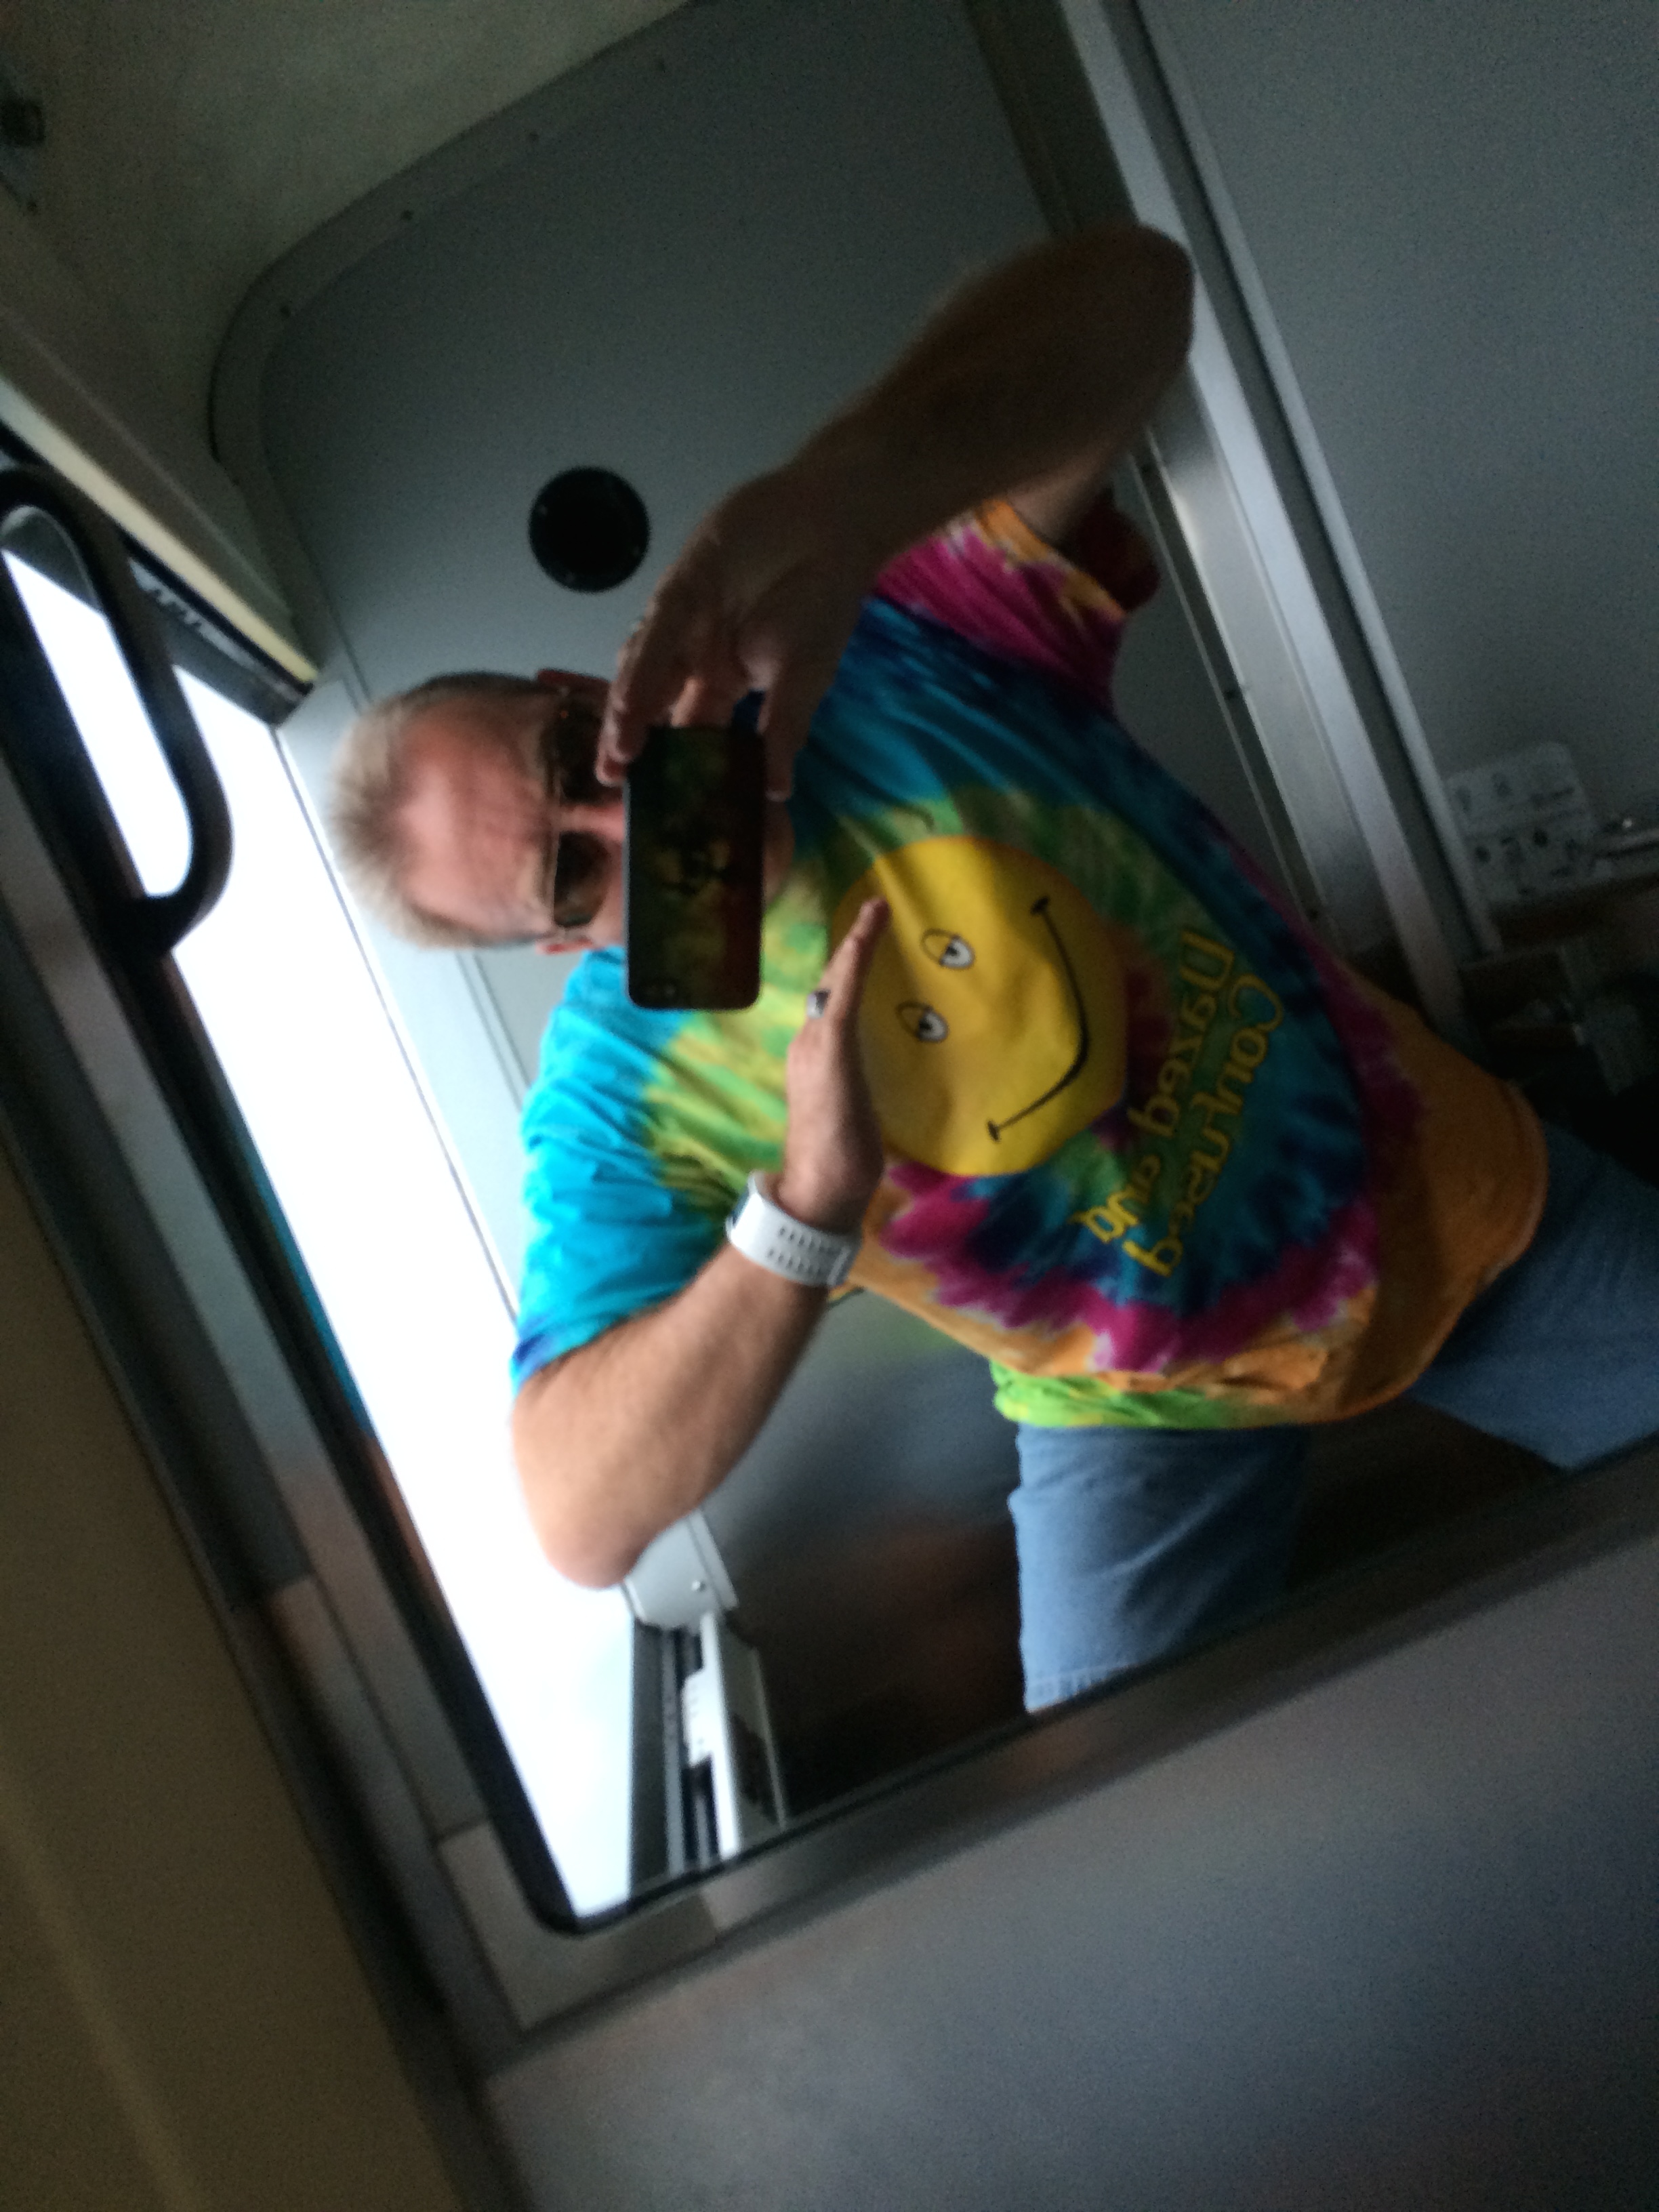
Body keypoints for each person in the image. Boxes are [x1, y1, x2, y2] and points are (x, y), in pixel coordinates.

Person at [331, 223, 1659, 1710]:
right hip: (1135, 1404)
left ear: (588, 686)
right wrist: (804, 1210)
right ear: (566, 941)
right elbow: (578, 1516)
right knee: (1131, 1820)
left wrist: (836, 507)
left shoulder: (887, 648)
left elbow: (1143, 293)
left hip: (1438, 1195)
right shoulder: (623, 1089)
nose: (626, 817)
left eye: (581, 758)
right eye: (573, 870)